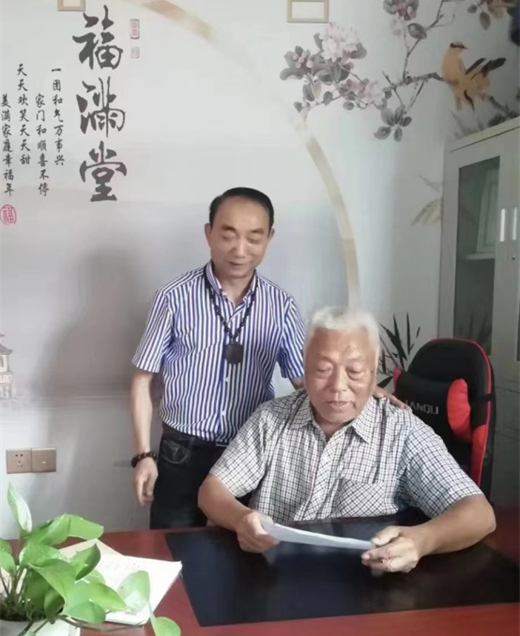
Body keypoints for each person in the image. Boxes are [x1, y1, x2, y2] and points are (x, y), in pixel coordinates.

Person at [131, 188, 401, 528]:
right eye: (228, 235)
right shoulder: (173, 298)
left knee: (242, 545)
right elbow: (142, 380)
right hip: (182, 451)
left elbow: (306, 379)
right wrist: (143, 455)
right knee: (172, 547)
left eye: (254, 238)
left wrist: (358, 388)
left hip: (251, 452)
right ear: (209, 233)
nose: (240, 250)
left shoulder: (280, 305)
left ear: (269, 239)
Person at [198, 306, 496, 573]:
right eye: (323, 370)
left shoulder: (401, 432)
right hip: (270, 576)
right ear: (304, 367)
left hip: (361, 587)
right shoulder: (271, 419)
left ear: (373, 371)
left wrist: (420, 540)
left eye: (354, 371)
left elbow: (479, 514)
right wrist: (241, 519)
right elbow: (212, 491)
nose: (338, 386)